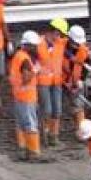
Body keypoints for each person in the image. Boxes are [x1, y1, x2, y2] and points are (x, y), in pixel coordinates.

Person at [8, 30, 45, 162]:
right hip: (27, 97)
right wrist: (35, 70)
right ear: (28, 45)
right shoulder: (25, 59)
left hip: (18, 95)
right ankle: (33, 151)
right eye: (34, 46)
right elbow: (26, 78)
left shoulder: (18, 56)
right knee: (30, 124)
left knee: (21, 124)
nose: (36, 48)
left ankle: (23, 149)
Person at [37, 18, 68, 147]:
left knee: (57, 111)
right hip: (43, 82)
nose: (59, 37)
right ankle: (43, 134)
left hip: (56, 82)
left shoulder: (60, 43)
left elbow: (77, 45)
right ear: (54, 32)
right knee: (47, 110)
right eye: (59, 34)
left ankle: (53, 137)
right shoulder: (38, 43)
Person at [62, 25, 90, 128]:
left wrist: (80, 81)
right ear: (69, 39)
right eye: (75, 43)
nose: (77, 46)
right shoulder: (61, 46)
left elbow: (86, 67)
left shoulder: (84, 51)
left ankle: (82, 130)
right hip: (59, 80)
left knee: (78, 106)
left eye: (78, 44)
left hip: (75, 82)